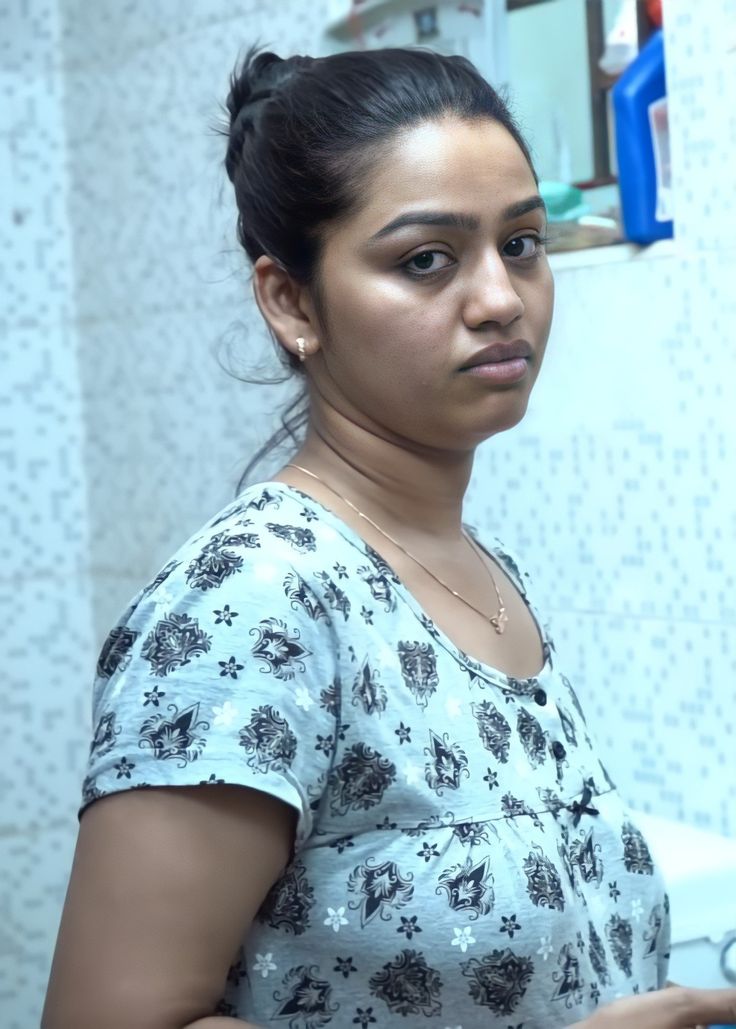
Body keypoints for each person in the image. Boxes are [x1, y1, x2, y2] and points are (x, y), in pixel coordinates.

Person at [42, 43, 736, 1029]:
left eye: (523, 245)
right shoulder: (253, 602)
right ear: (290, 303)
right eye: (426, 260)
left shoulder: (484, 577)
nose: (500, 298)